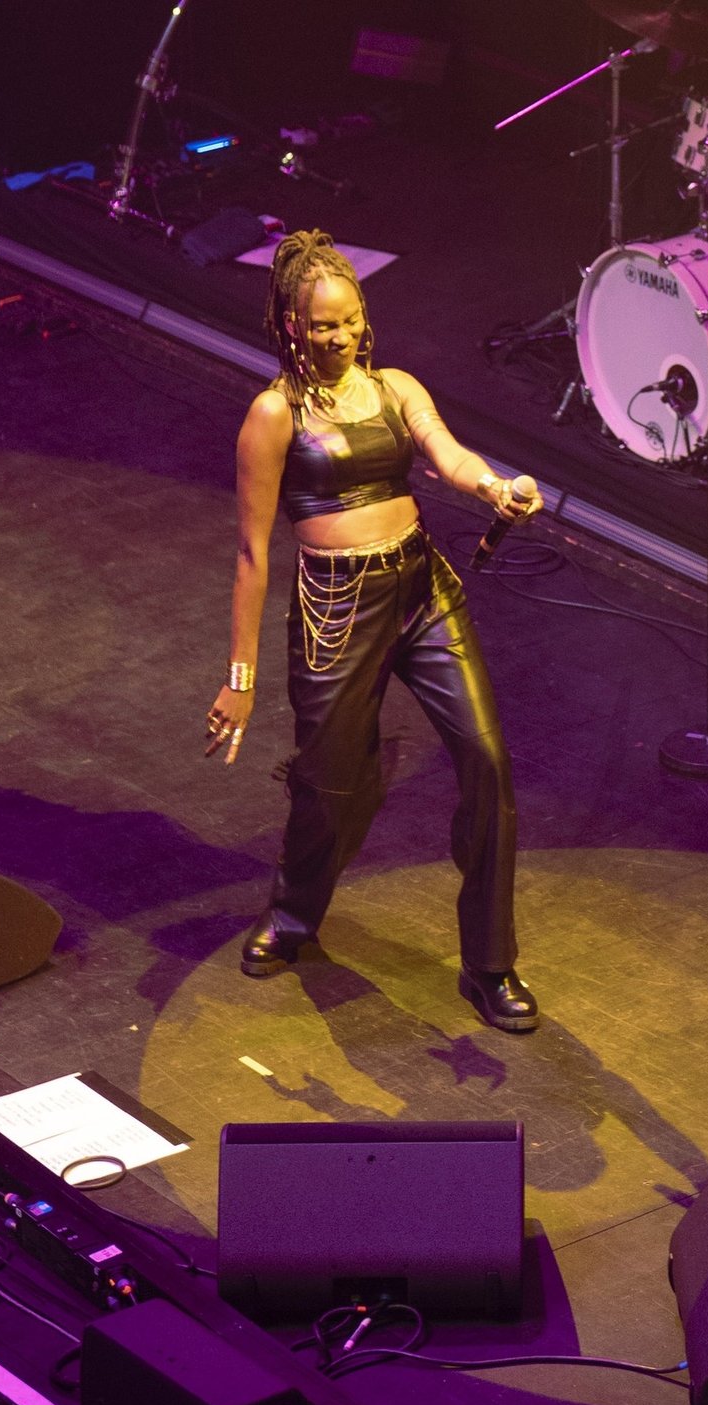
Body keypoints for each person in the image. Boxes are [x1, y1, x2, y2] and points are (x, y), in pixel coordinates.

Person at [204, 230, 542, 1033]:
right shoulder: (272, 414)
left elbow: (448, 456)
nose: (340, 337)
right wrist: (240, 679)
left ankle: (490, 965)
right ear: (290, 324)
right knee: (329, 784)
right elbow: (254, 554)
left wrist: (497, 486)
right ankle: (293, 915)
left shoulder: (394, 388)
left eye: (349, 321)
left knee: (488, 764)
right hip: (332, 614)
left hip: (423, 592)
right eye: (322, 326)